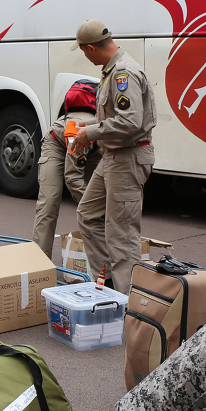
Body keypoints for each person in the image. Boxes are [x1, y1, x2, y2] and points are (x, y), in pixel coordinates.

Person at [69, 19, 156, 294]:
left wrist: (91, 133)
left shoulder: (123, 73)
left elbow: (130, 122)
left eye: (83, 51)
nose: (84, 56)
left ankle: (128, 304)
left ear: (91, 48)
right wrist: (88, 127)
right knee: (88, 214)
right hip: (113, 156)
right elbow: (116, 117)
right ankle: (106, 286)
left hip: (127, 158)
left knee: (122, 235)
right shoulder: (112, 71)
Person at [32, 80, 102, 260]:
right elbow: (72, 178)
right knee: (49, 203)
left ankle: (101, 261)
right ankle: (40, 264)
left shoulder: (108, 129)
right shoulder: (81, 134)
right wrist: (96, 208)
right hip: (57, 142)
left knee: (101, 196)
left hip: (88, 145)